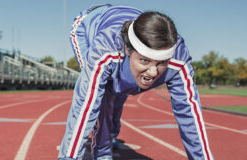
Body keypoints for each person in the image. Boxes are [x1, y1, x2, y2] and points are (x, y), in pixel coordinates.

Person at [58, 4, 213, 160]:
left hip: (125, 37)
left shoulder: (178, 60)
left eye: (161, 63)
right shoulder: (104, 49)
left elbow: (189, 114)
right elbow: (85, 106)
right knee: (101, 92)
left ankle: (111, 134)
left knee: (121, 90)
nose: (153, 72)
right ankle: (103, 152)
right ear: (128, 49)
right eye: (144, 60)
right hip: (88, 26)